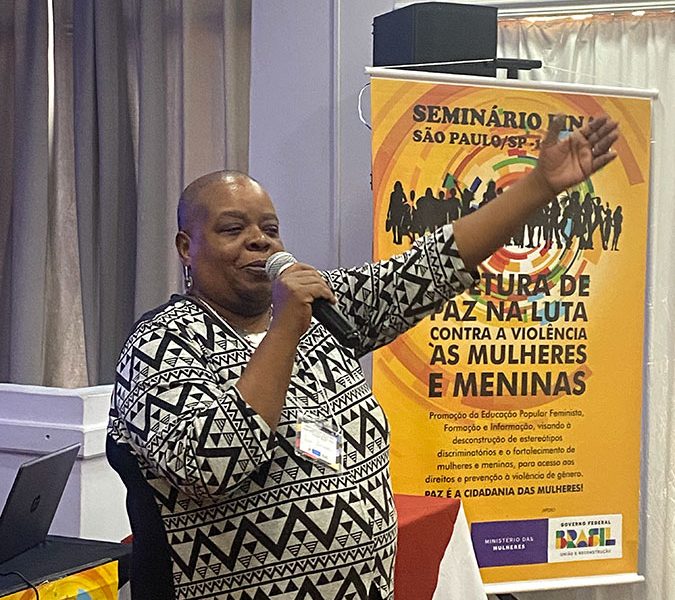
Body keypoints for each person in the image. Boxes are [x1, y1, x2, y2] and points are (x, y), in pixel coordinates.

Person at [106, 115, 619, 599]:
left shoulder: (322, 310)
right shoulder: (163, 342)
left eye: (270, 228)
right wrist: (284, 330)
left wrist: (538, 187)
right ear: (186, 247)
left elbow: (431, 266)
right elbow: (210, 464)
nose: (258, 240)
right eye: (231, 229)